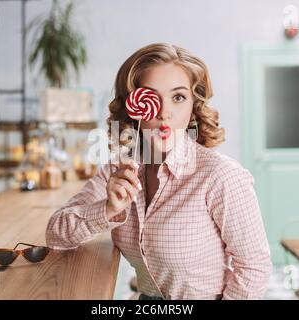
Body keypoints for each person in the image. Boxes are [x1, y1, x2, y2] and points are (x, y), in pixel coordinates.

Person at [46, 43, 272, 300]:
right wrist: (108, 209)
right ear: (133, 106)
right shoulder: (118, 170)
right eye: (151, 98)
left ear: (193, 104)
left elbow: (254, 268)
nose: (165, 113)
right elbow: (55, 234)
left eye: (178, 97)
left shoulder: (220, 176)